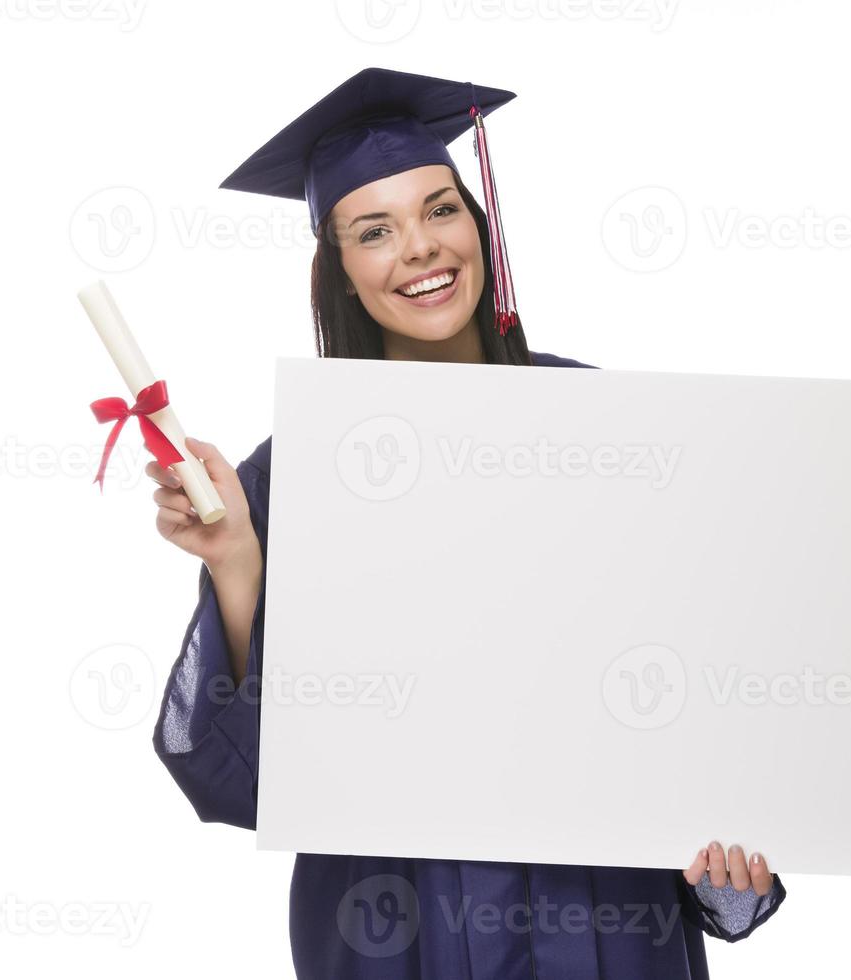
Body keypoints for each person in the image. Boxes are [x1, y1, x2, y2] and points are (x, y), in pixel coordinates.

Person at [150, 66, 787, 979]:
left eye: (440, 210)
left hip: (599, 910)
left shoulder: (613, 430)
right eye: (375, 230)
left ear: (478, 227)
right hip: (403, 917)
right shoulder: (300, 468)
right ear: (339, 272)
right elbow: (247, 779)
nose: (419, 247)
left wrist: (729, 864)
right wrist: (238, 566)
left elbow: (702, 676)